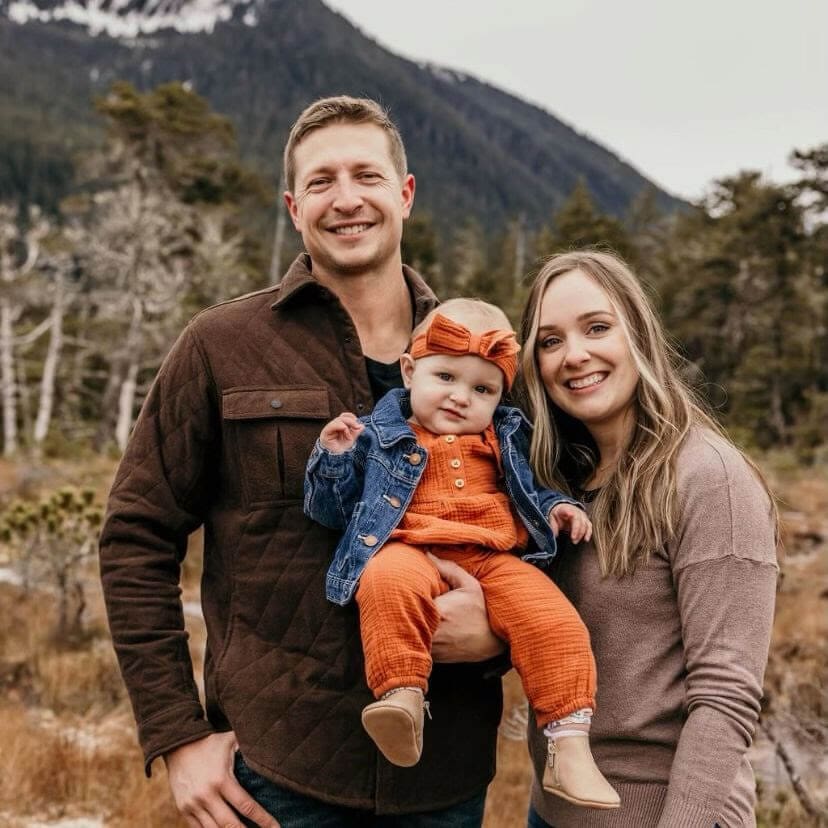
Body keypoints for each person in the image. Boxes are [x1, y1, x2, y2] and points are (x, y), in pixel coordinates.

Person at [98, 96, 503, 828]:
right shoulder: (220, 346)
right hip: (273, 778)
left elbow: (542, 524)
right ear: (294, 207)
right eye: (321, 181)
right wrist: (177, 735)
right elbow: (135, 536)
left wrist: (499, 632)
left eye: (367, 176)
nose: (346, 199)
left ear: (405, 194)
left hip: (443, 777)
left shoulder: (483, 357)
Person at [304, 298, 620, 810]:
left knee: (553, 618)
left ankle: (569, 745)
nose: (460, 397)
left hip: (493, 558)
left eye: (482, 389)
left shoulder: (506, 436)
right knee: (385, 582)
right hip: (410, 547)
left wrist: (557, 507)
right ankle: (402, 697)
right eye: (446, 377)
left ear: (499, 397)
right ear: (410, 372)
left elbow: (529, 490)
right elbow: (330, 512)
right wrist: (334, 457)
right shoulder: (380, 435)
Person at [510, 250, 778, 827]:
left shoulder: (710, 479)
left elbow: (725, 698)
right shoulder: (558, 483)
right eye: (551, 340)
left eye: (597, 328)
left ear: (639, 333)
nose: (574, 355)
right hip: (553, 812)